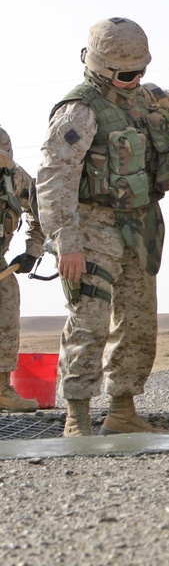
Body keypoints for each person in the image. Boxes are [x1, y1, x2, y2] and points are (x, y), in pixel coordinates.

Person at [36, 17, 169, 437]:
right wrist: (67, 244)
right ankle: (77, 417)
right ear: (100, 68)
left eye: (142, 71)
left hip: (139, 230)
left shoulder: (141, 98)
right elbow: (54, 179)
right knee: (90, 321)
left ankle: (122, 410)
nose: (137, 80)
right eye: (127, 73)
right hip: (91, 230)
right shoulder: (78, 111)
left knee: (137, 323)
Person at [0, 127, 46, 412]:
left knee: (5, 311)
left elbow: (39, 210)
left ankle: (2, 389)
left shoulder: (14, 178)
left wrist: (33, 249)